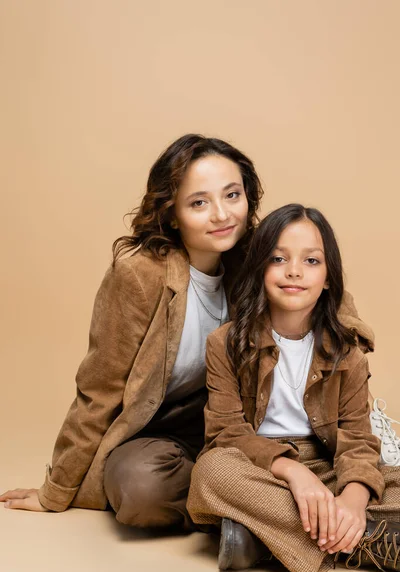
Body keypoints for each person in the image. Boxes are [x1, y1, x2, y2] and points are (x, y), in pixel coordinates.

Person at [0, 139, 368, 532]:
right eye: (199, 203)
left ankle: (259, 512)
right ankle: (254, 509)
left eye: (232, 195)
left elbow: (331, 298)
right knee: (142, 490)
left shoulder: (260, 256)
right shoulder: (139, 275)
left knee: (358, 466)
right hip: (164, 433)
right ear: (172, 213)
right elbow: (99, 389)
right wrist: (55, 490)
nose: (222, 214)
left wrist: (348, 349)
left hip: (244, 423)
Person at [187, 204, 400, 572]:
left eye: (312, 261)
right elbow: (226, 433)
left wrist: (352, 498)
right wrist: (293, 472)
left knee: (386, 481)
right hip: (260, 467)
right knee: (210, 473)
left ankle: (258, 540)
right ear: (260, 269)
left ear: (329, 278)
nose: (294, 271)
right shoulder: (225, 344)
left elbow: (356, 440)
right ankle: (366, 541)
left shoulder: (347, 350)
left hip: (327, 465)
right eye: (279, 258)